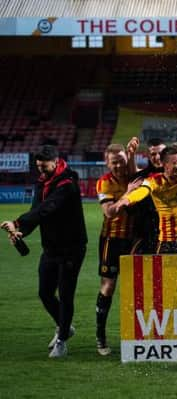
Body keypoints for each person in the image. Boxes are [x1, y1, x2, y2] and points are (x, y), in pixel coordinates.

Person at [1, 145, 87, 358]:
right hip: (51, 248)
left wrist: (17, 222)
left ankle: (62, 340)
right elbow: (36, 211)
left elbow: (48, 208)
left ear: (56, 161)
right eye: (38, 166)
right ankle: (64, 327)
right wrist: (22, 231)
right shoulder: (43, 182)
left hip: (72, 249)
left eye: (44, 166)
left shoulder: (68, 183)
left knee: (66, 296)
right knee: (45, 293)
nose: (41, 171)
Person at [114, 145, 177, 253]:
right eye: (176, 163)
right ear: (165, 165)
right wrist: (128, 199)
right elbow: (142, 190)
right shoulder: (154, 181)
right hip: (167, 242)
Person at [94, 144, 134, 355]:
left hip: (135, 239)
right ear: (107, 163)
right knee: (108, 286)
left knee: (138, 287)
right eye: (114, 162)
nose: (118, 165)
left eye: (121, 160)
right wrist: (127, 194)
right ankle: (101, 335)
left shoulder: (134, 175)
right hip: (112, 239)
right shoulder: (104, 182)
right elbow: (109, 212)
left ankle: (141, 336)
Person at [127, 137, 165, 254]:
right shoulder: (141, 178)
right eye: (153, 154)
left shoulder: (176, 177)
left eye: (161, 153)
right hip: (143, 236)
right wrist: (131, 154)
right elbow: (130, 208)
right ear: (148, 155)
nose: (157, 157)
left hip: (168, 236)